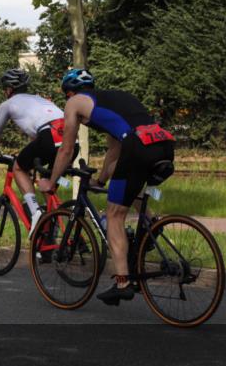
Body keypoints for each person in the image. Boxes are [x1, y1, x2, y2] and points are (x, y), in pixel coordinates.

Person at [39, 69, 175, 305]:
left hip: (137, 146)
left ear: (69, 92)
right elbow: (115, 150)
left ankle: (122, 283)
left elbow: (66, 150)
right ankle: (150, 225)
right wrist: (100, 181)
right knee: (129, 183)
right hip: (163, 144)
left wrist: (51, 182)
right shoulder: (116, 98)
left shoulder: (74, 103)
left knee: (114, 215)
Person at [0, 69, 79, 231]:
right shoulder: (40, 99)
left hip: (49, 137)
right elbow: (37, 137)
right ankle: (53, 227)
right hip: (72, 142)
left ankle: (36, 213)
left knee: (19, 168)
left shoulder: (7, 105)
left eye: (5, 89)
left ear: (9, 89)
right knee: (47, 183)